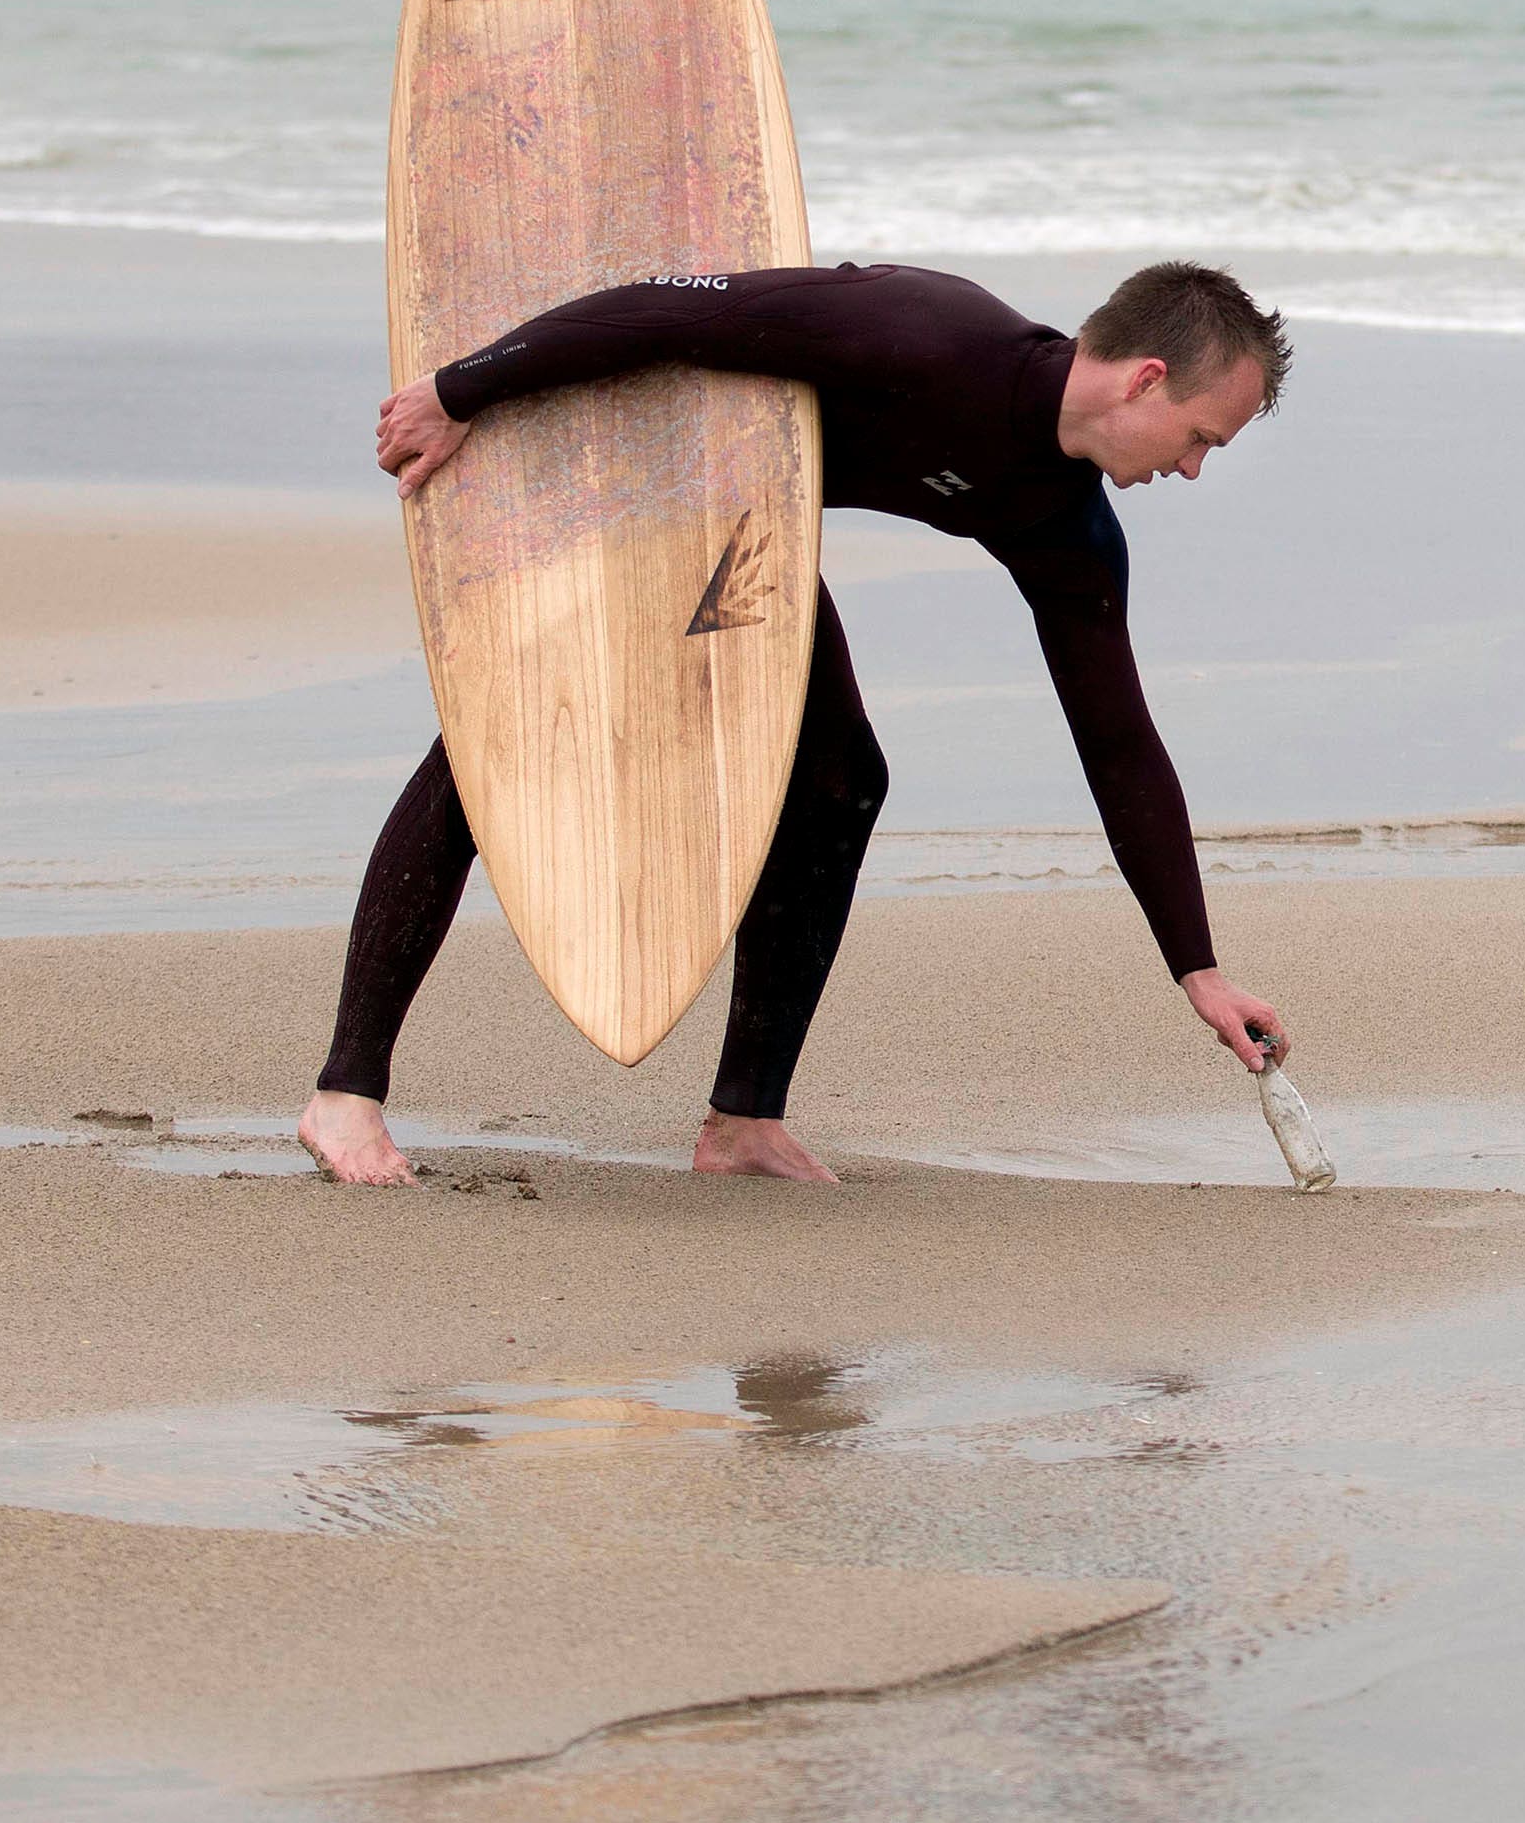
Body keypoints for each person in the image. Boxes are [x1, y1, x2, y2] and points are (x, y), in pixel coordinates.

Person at [295, 258, 1293, 1187]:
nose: (1194, 470)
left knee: (840, 778)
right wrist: (458, 390)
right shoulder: (927, 331)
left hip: (742, 526)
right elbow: (669, 309)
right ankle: (344, 1095)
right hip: (624, 465)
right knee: (493, 746)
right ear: (1146, 378)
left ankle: (744, 1122)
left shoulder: (1059, 521)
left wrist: (1195, 966)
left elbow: (1119, 743)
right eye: (1202, 436)